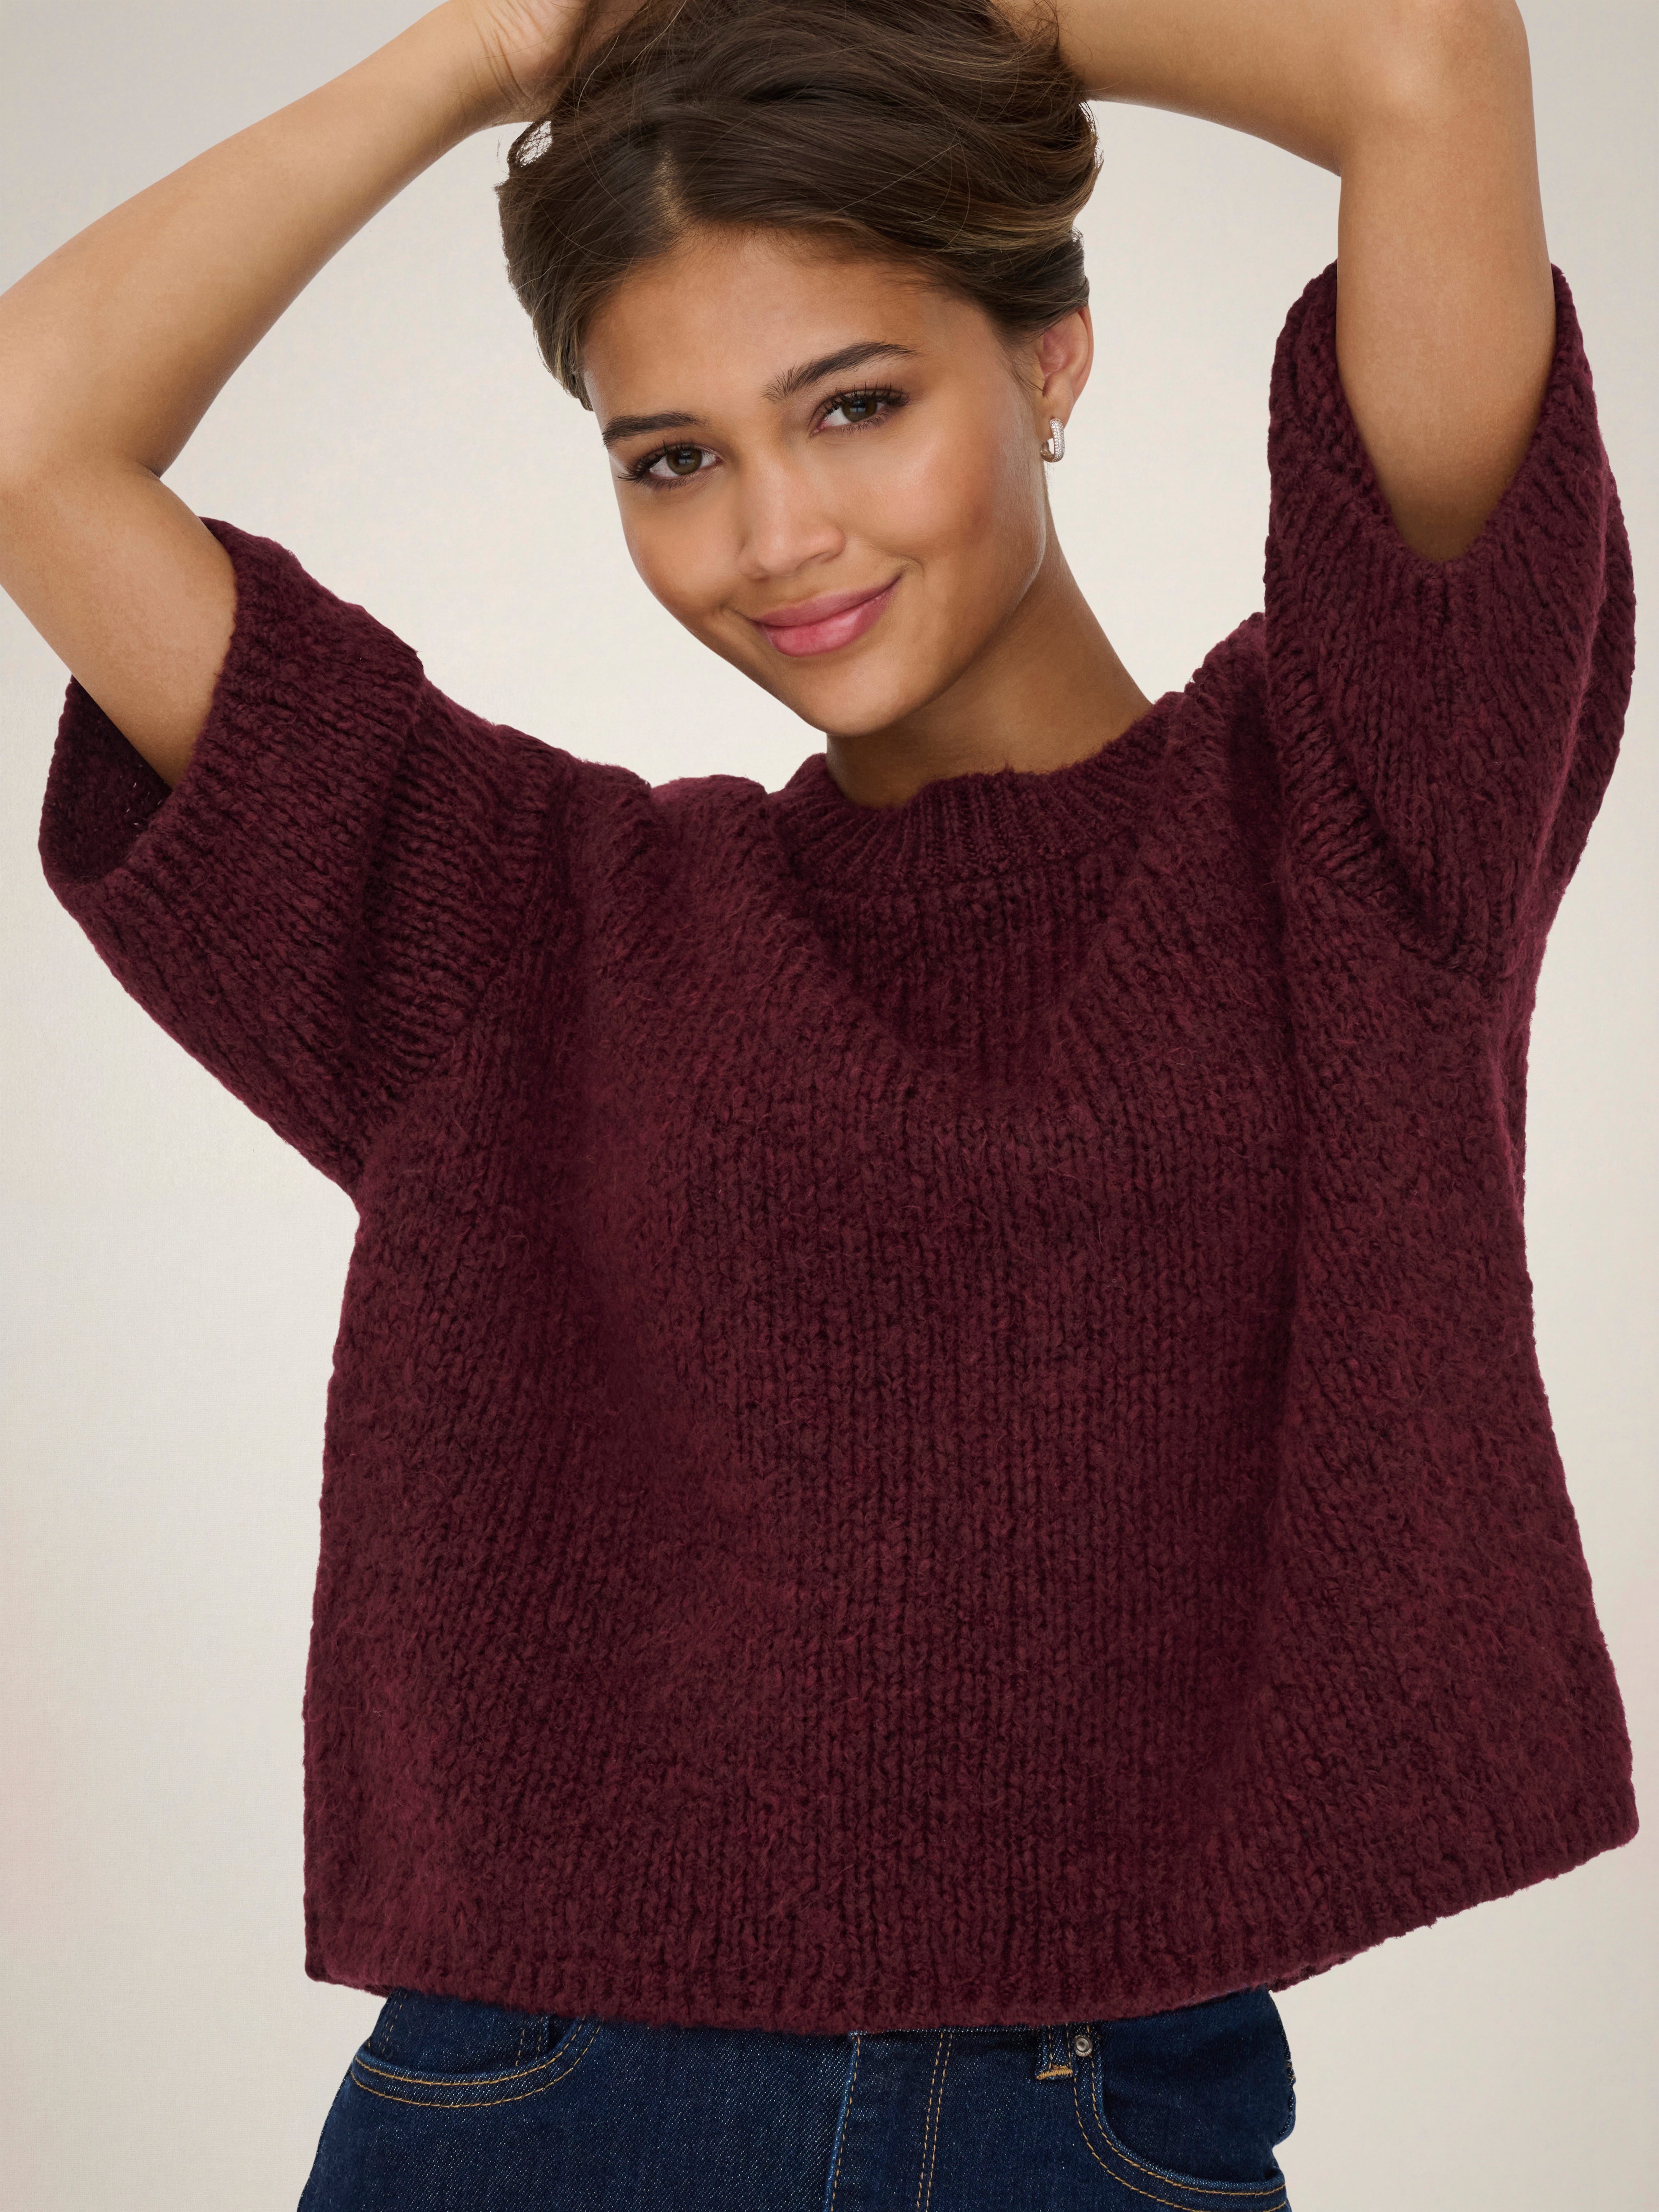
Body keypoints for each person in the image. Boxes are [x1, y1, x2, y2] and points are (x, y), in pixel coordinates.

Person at [0, 0, 1637, 2205]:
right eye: (671, 458)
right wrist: (484, 54)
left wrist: (960, 19)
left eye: (855, 404)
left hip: (1104, 2126)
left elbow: (1423, 54)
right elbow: (30, 439)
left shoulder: (1358, 812)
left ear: (1050, 356)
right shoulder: (521, 925)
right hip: (537, 2115)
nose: (776, 538)